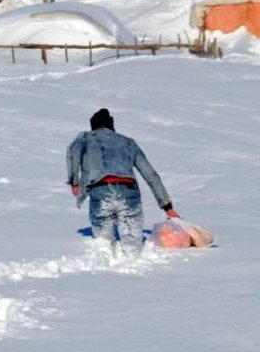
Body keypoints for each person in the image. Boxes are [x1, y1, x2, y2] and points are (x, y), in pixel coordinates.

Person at [67, 108, 180, 255]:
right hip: (129, 193)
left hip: (101, 191)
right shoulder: (129, 143)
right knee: (133, 247)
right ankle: (134, 266)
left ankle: (104, 268)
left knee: (103, 245)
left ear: (93, 126)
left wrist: (74, 181)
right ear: (111, 126)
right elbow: (151, 175)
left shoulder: (85, 138)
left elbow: (72, 152)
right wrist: (167, 206)